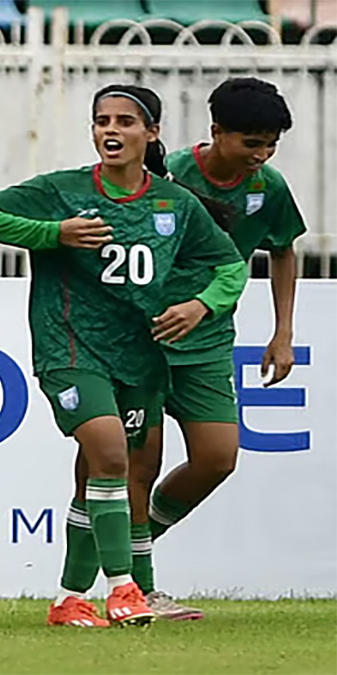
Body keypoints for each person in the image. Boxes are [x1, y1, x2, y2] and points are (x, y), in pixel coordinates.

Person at [0, 85, 249, 627]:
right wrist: (53, 233)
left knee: (105, 470)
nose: (111, 130)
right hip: (70, 346)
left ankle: (70, 597)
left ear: (151, 133)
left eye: (124, 121)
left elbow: (231, 265)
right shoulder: (61, 190)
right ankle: (125, 590)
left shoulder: (174, 203)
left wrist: (200, 305)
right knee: (112, 455)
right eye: (102, 121)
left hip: (138, 355)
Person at [125, 77, 305, 620]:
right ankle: (138, 586)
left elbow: (282, 250)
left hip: (207, 342)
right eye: (251, 142)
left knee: (217, 458)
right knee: (140, 463)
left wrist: (283, 333)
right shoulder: (169, 173)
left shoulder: (269, 187)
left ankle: (134, 542)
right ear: (217, 132)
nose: (262, 155)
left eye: (271, 144)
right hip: (145, 339)